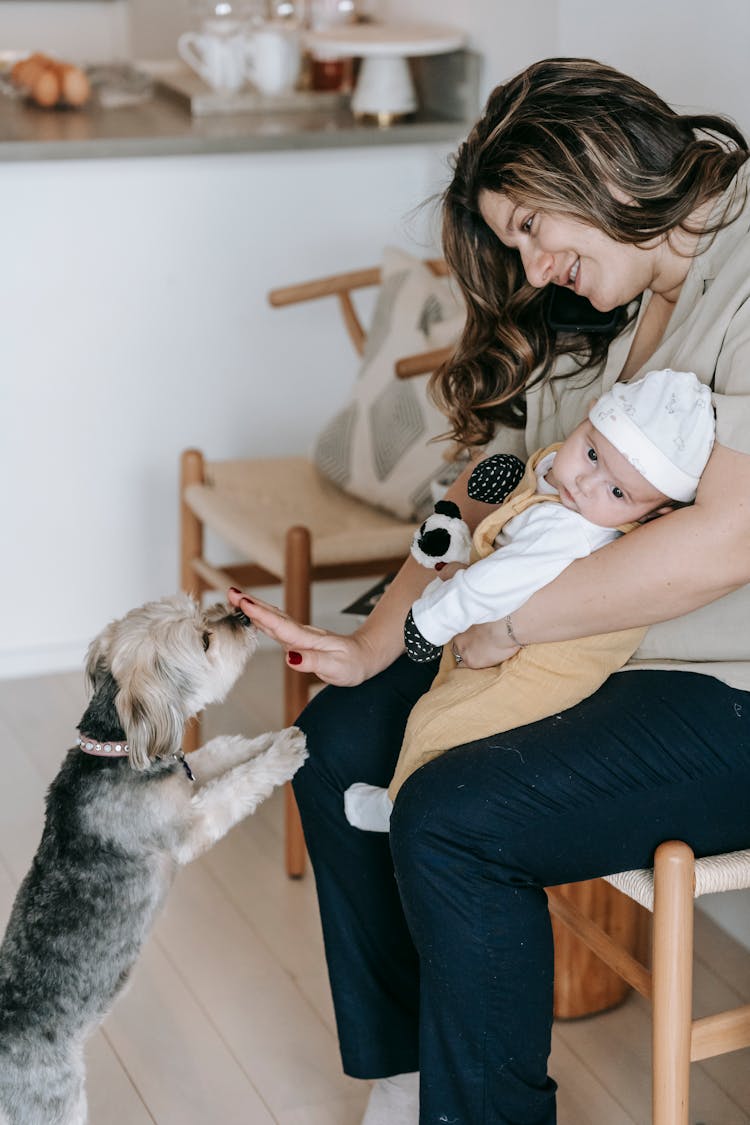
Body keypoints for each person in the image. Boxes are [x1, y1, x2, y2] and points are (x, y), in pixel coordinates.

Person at [229, 57, 750, 1125]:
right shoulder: (603, 297)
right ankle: (416, 1076)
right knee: (332, 753)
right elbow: (485, 486)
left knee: (454, 819)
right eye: (512, 241)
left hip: (719, 682)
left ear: (595, 161)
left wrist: (507, 623)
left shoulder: (740, 268)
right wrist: (378, 642)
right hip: (566, 640)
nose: (532, 261)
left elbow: (726, 542)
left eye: (528, 226)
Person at [344, 368, 715, 832]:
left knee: (437, 720)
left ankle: (396, 807)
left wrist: (428, 622)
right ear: (586, 420)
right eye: (592, 453)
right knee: (430, 694)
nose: (585, 483)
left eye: (617, 492)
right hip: (498, 627)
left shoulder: (574, 528)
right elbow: (505, 538)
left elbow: (492, 583)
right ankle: (447, 547)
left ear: (655, 514)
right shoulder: (561, 477)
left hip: (536, 668)